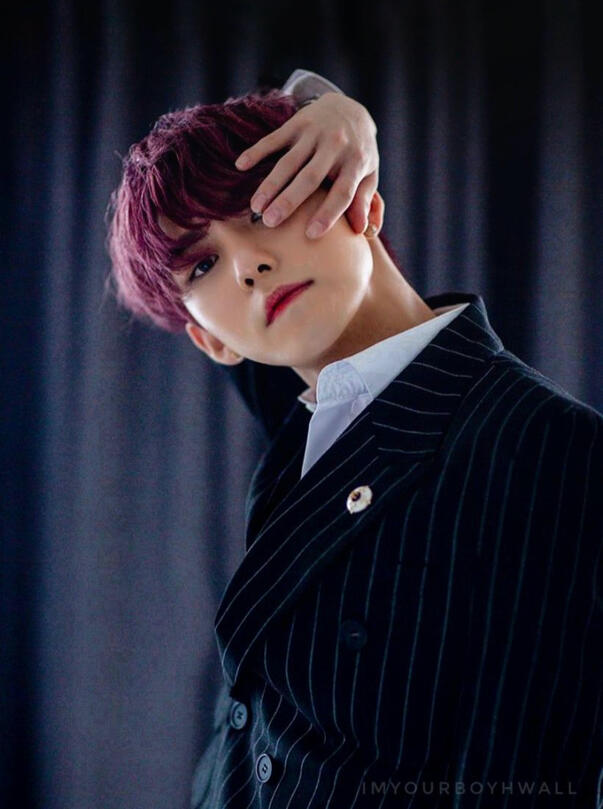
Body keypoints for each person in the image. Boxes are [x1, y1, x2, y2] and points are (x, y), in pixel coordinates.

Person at [106, 70, 603, 808]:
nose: (248, 264)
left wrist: (342, 118)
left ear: (358, 196)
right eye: (202, 264)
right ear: (211, 342)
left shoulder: (550, 451)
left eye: (262, 206)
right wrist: (328, 107)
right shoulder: (303, 416)